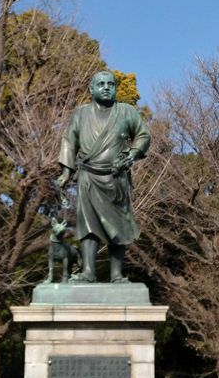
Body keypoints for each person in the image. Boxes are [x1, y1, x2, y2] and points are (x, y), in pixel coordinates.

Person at [56, 71, 151, 283]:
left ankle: (117, 274)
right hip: (88, 176)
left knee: (118, 226)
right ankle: (88, 272)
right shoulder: (80, 113)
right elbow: (69, 141)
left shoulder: (126, 111)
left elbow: (143, 135)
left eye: (110, 84)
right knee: (87, 225)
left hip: (117, 177)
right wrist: (66, 172)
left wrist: (132, 154)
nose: (106, 87)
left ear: (115, 88)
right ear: (91, 89)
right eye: (101, 84)